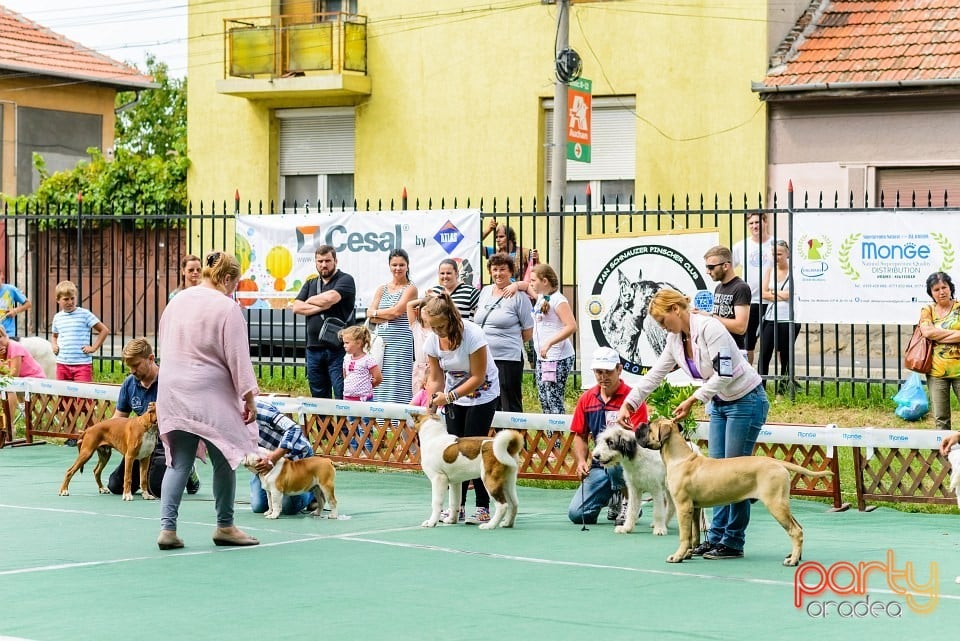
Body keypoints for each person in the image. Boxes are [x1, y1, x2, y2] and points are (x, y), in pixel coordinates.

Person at [616, 289, 769, 560]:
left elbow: (725, 372)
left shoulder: (711, 329)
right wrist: (630, 402)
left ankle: (733, 541)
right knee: (716, 474)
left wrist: (694, 399)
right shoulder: (675, 339)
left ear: (676, 309)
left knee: (735, 473)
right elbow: (655, 374)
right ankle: (717, 538)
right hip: (720, 403)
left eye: (664, 321)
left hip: (746, 400)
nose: (663, 328)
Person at [155, 251, 260, 551]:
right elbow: (238, 357)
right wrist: (249, 398)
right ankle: (225, 526)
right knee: (225, 458)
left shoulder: (176, 302)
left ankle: (167, 529)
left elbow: (165, 343)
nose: (233, 290)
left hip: (173, 390)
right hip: (209, 392)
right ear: (227, 279)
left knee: (179, 463)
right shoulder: (227, 308)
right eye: (234, 284)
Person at [420, 290, 501, 525]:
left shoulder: (473, 334)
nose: (437, 331)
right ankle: (457, 508)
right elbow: (435, 376)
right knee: (454, 451)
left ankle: (483, 505)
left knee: (474, 447)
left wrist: (450, 396)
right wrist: (432, 400)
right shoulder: (432, 341)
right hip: (452, 396)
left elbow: (478, 376)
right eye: (432, 327)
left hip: (483, 394)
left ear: (451, 319)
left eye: (440, 326)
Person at [105, 338, 200, 497]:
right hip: (140, 444)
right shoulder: (129, 383)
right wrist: (102, 436)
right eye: (129, 367)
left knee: (157, 489)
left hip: (166, 444)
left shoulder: (170, 381)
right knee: (115, 485)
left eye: (135, 365)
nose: (132, 371)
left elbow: (186, 417)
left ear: (151, 359)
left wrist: (161, 410)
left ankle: (187, 468)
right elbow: (118, 419)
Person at [568, 347, 649, 525]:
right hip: (598, 466)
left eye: (608, 372)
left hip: (627, 463)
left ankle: (630, 501)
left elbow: (640, 440)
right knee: (578, 514)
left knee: (616, 462)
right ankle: (614, 496)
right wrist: (581, 460)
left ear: (619, 370)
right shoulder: (586, 399)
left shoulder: (633, 399)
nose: (603, 377)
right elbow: (579, 435)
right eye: (598, 372)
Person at [293, 245, 357, 399]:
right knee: (319, 394)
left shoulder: (345, 279)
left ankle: (343, 424)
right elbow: (296, 307)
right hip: (313, 349)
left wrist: (310, 301)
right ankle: (324, 424)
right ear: (315, 262)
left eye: (328, 260)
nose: (323, 265)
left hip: (340, 348)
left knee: (342, 391)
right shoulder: (311, 283)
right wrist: (322, 307)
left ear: (335, 260)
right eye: (320, 261)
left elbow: (330, 298)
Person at [475, 253, 533, 413]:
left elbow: (528, 330)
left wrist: (507, 341)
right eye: (494, 269)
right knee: (490, 402)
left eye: (502, 269)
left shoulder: (519, 296)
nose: (498, 273)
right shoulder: (485, 291)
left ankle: (516, 438)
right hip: (485, 358)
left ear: (510, 272)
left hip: (508, 359)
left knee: (510, 403)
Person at [248, 400, 316, 516]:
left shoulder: (262, 409)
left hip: (295, 458)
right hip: (265, 466)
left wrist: (274, 458)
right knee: (259, 506)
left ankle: (313, 489)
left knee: (288, 508)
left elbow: (294, 429)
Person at [368, 249, 418, 405]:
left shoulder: (410, 288)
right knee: (381, 380)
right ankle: (382, 423)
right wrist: (380, 314)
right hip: (381, 344)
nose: (398, 268)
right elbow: (370, 314)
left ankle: (399, 423)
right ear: (389, 266)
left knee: (398, 381)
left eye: (401, 265)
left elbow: (396, 312)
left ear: (407, 266)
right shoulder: (381, 289)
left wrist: (377, 313)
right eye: (394, 264)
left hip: (401, 342)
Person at [529, 263, 576, 414]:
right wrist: (517, 285)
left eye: (534, 280)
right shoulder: (542, 297)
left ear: (545, 281)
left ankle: (558, 437)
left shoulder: (558, 300)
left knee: (553, 398)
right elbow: (526, 286)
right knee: (544, 399)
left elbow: (571, 326)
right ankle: (550, 436)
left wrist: (549, 342)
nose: (531, 284)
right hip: (543, 357)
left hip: (556, 357)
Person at [918, 271, 960, 431]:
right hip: (936, 373)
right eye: (936, 289)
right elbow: (927, 333)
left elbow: (932, 333)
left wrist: (938, 336)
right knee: (941, 419)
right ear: (931, 293)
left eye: (944, 287)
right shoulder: (927, 310)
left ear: (950, 288)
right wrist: (956, 335)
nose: (941, 292)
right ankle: (945, 455)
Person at [732, 212, 774, 364]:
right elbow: (728, 268)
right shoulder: (741, 246)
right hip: (750, 302)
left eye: (757, 222)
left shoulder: (776, 243)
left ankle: (784, 379)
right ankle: (748, 378)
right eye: (751, 223)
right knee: (748, 344)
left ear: (765, 222)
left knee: (777, 343)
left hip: (773, 301)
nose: (755, 226)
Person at [759, 241, 799, 394]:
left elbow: (794, 294)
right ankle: (760, 388)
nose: (776, 257)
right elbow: (763, 294)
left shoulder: (794, 271)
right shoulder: (769, 271)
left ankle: (782, 390)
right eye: (774, 253)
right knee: (765, 353)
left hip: (788, 318)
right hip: (770, 317)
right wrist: (781, 295)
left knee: (786, 354)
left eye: (779, 253)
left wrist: (773, 293)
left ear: (787, 254)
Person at [50, 280, 110, 383]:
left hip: (82, 365)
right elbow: (54, 336)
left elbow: (104, 330)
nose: (70, 302)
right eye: (66, 299)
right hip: (62, 364)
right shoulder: (57, 317)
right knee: (63, 396)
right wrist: (54, 345)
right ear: (58, 300)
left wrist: (93, 348)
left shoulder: (85, 314)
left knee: (83, 396)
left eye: (72, 298)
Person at [0, 325, 44, 446]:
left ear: (6, 336)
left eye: (1, 337)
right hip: (18, 383)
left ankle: (9, 428)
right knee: (7, 387)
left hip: (34, 380)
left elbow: (14, 374)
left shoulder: (15, 347)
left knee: (9, 389)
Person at [702, 245, 750, 351]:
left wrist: (710, 316)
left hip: (734, 352)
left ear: (725, 266)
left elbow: (741, 327)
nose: (707, 271)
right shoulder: (719, 287)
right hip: (719, 348)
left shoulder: (740, 288)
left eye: (711, 267)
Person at [481, 219, 539, 300]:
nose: (497, 240)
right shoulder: (495, 252)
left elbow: (536, 269)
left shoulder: (524, 252)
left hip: (519, 294)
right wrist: (488, 230)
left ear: (510, 238)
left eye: (501, 236)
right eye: (496, 237)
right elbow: (475, 245)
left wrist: (536, 259)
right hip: (499, 293)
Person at [0, 271, 31, 338]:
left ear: (1, 276)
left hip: (8, 333)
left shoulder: (10, 289)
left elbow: (28, 304)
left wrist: (15, 311)